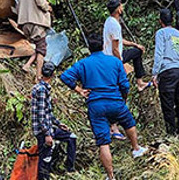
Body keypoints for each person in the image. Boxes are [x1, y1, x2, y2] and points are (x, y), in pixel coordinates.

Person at [60, 35, 147, 180]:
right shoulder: (114, 61)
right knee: (129, 122)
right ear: (103, 46)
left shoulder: (83, 64)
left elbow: (65, 77)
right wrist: (123, 99)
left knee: (103, 141)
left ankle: (110, 176)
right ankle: (136, 148)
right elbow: (125, 85)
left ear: (89, 48)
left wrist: (79, 90)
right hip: (115, 101)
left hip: (96, 105)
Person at [31, 62, 77, 179]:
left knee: (71, 137)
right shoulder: (41, 89)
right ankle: (43, 177)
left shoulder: (43, 88)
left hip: (49, 127)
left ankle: (69, 169)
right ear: (53, 75)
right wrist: (47, 134)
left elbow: (47, 113)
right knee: (45, 158)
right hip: (43, 130)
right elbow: (41, 116)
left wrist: (58, 124)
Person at [152, 9, 179, 136]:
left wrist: (155, 73)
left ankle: (171, 133)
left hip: (167, 71)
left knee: (167, 104)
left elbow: (159, 53)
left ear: (160, 21)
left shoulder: (161, 33)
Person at [103, 0, 150, 92]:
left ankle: (139, 82)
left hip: (108, 55)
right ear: (118, 10)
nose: (122, 8)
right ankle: (140, 83)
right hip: (113, 57)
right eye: (121, 6)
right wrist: (121, 64)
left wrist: (135, 44)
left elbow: (119, 40)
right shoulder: (114, 25)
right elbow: (115, 49)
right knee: (137, 53)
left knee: (136, 51)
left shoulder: (109, 21)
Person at [17, 0, 53, 76]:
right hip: (37, 21)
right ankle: (38, 76)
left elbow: (18, 5)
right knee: (42, 49)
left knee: (38, 46)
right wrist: (47, 7)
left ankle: (27, 65)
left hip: (24, 22)